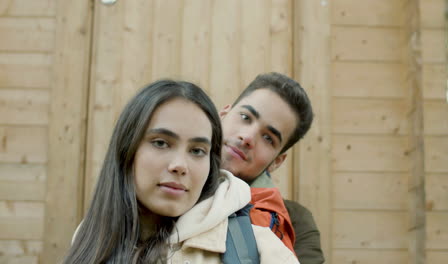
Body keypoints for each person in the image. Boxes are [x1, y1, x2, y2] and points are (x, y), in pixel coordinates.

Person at [63, 80, 298, 263]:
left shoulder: (259, 247)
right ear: (127, 148)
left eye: (197, 150)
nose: (180, 165)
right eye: (161, 143)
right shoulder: (88, 237)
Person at [219, 72, 325, 263]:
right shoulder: (168, 182)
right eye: (245, 117)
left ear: (277, 161)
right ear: (223, 115)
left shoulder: (295, 222)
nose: (248, 137)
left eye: (268, 138)